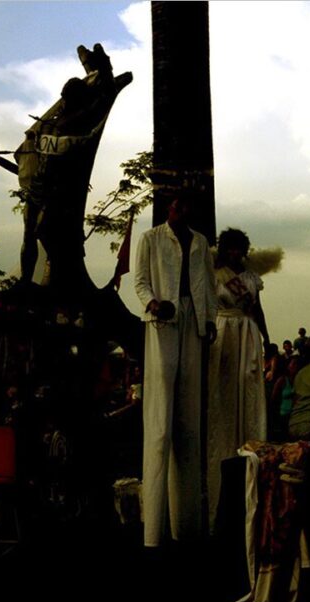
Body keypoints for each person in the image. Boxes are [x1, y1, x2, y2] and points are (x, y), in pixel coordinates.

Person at [134, 192, 217, 547]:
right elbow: (139, 281)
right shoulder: (151, 238)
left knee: (188, 423)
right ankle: (153, 530)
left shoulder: (199, 242)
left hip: (193, 319)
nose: (183, 211)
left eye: (187, 206)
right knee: (159, 423)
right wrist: (152, 303)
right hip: (163, 320)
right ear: (169, 208)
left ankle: (187, 526)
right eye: (178, 206)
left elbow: (208, 286)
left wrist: (210, 319)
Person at [206, 228, 270, 532]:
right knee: (223, 396)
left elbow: (257, 309)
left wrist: (267, 337)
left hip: (248, 334)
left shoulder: (250, 277)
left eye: (238, 249)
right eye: (230, 248)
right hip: (224, 332)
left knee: (249, 390)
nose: (234, 254)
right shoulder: (215, 273)